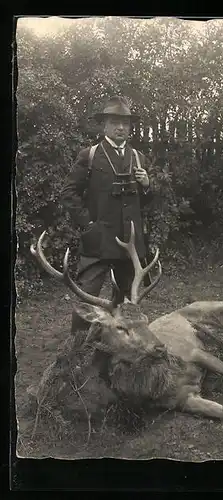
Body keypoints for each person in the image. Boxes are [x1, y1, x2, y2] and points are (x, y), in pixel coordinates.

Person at [61, 96, 153, 335]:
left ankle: (125, 349)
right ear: (105, 126)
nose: (121, 127)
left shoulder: (138, 158)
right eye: (115, 122)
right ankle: (77, 351)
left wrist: (147, 185)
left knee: (128, 305)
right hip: (98, 241)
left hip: (129, 244)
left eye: (125, 123)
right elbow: (69, 193)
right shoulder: (89, 155)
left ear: (130, 127)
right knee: (87, 301)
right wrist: (88, 223)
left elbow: (147, 202)